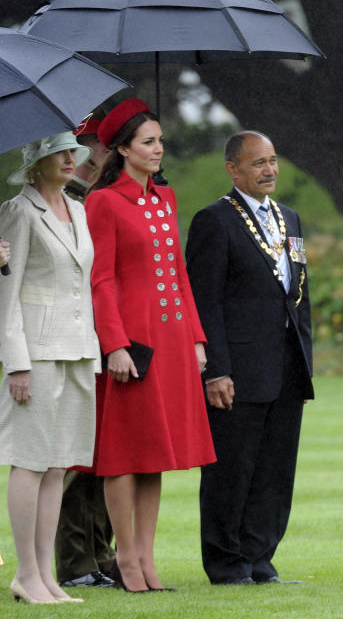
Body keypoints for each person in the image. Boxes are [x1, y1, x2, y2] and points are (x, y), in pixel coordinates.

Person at [85, 98, 216, 592]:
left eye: (160, 140)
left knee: (155, 453)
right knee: (123, 454)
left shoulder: (166, 198)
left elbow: (178, 274)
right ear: (122, 149)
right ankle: (126, 562)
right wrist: (115, 345)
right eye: (148, 142)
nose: (159, 149)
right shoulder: (103, 202)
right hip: (132, 339)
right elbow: (101, 281)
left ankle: (147, 559)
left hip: (173, 338)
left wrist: (197, 337)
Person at [186, 131, 313, 585]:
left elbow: (300, 298)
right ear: (233, 169)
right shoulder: (214, 221)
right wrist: (215, 369)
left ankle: (260, 559)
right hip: (237, 370)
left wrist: (305, 367)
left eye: (273, 161)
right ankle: (226, 563)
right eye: (258, 163)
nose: (269, 170)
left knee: (275, 472)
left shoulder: (290, 218)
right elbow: (206, 302)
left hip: (285, 367)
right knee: (231, 471)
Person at [0, 132, 101, 604]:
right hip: (36, 354)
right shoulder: (18, 212)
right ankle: (24, 573)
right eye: (58, 152)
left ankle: (45, 576)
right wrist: (16, 362)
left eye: (72, 152)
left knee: (59, 465)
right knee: (32, 461)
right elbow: (7, 294)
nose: (69, 159)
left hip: (78, 350)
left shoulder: (78, 209)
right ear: (35, 161)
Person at [54, 113, 117, 590]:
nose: (97, 156)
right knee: (76, 462)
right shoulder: (65, 204)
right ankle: (75, 561)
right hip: (70, 340)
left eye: (103, 146)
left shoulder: (94, 201)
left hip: (104, 342)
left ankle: (100, 554)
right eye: (89, 145)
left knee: (104, 457)